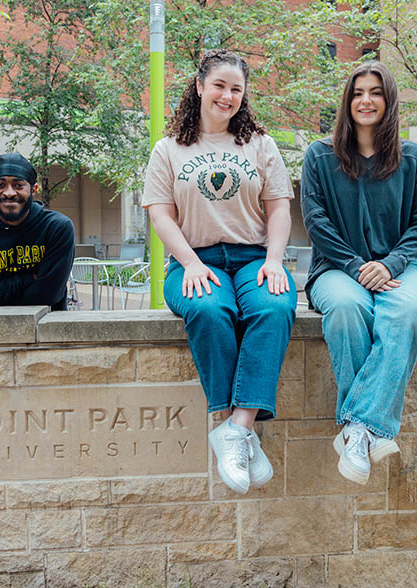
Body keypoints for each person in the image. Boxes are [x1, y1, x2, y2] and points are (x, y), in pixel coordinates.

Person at [142, 49, 296, 495]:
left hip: (253, 257)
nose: (226, 96)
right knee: (210, 310)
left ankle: (236, 428)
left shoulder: (260, 145)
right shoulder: (168, 150)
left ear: (243, 96)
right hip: (196, 260)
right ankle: (241, 433)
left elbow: (280, 209)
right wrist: (189, 262)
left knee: (274, 307)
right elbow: (161, 216)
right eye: (219, 86)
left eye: (236, 89)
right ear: (199, 86)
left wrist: (274, 260)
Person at [301, 61, 417, 484]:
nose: (366, 100)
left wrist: (390, 264)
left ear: (389, 99)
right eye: (358, 92)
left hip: (401, 266)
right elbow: (315, 220)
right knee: (345, 307)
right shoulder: (319, 156)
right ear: (347, 100)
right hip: (337, 267)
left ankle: (357, 428)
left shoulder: (412, 158)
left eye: (375, 92)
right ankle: (370, 426)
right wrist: (358, 267)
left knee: (408, 309)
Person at [0, 152, 75, 311]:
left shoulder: (56, 228)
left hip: (47, 330)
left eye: (18, 185)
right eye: (0, 185)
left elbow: (49, 295)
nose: (9, 193)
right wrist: (30, 278)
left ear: (34, 189)